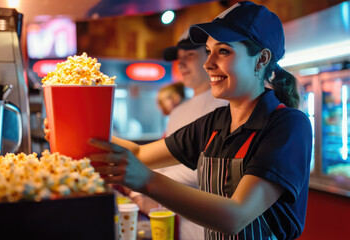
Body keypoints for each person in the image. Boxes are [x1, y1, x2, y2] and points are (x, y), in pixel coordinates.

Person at [88, 1, 313, 239]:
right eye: (208, 51)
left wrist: (147, 181)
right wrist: (77, 131)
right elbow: (140, 154)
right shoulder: (214, 123)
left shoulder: (288, 125)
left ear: (261, 59)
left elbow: (236, 216)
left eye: (223, 51)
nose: (208, 63)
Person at [128, 30, 228, 240]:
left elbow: (206, 171)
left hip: (217, 228)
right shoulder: (178, 111)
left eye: (189, 56)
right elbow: (165, 161)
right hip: (187, 230)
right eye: (179, 59)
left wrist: (146, 184)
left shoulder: (224, 104)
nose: (181, 64)